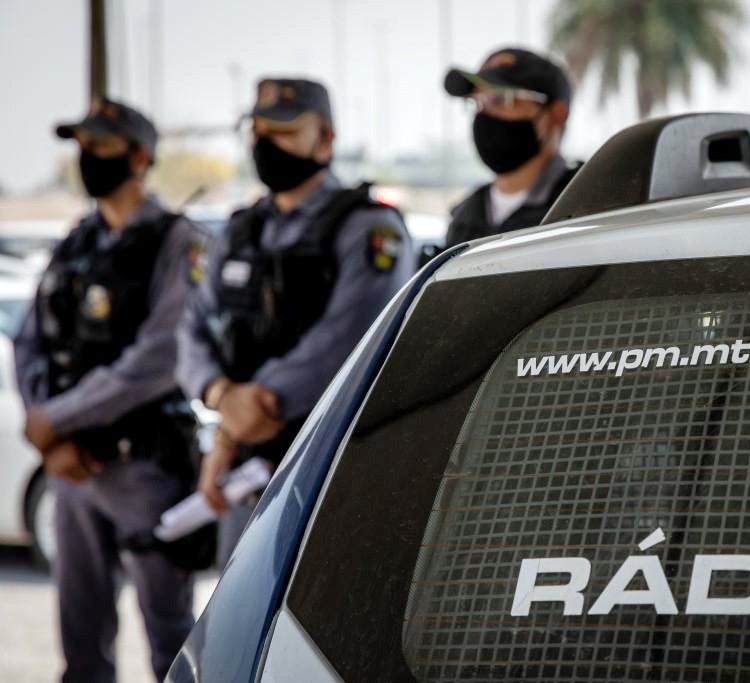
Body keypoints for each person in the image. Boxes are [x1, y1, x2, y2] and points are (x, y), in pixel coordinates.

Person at [176, 77, 414, 565]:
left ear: (325, 139)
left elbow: (349, 339)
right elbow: (193, 328)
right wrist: (220, 395)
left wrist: (246, 413)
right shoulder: (240, 230)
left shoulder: (367, 227)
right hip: (244, 465)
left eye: (283, 131)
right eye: (258, 131)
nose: (265, 143)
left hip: (331, 463)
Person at [14, 97, 202, 683]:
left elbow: (161, 355)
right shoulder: (78, 241)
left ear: (139, 157)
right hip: (72, 469)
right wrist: (50, 432)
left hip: (144, 467)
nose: (87, 156)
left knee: (172, 644)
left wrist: (59, 417)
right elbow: (30, 340)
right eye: (82, 145)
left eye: (100, 145)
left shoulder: (177, 241)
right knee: (81, 644)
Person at [443, 47, 579, 247]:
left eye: (499, 99)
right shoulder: (464, 217)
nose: (483, 115)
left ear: (556, 113)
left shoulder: (584, 206)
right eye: (477, 101)